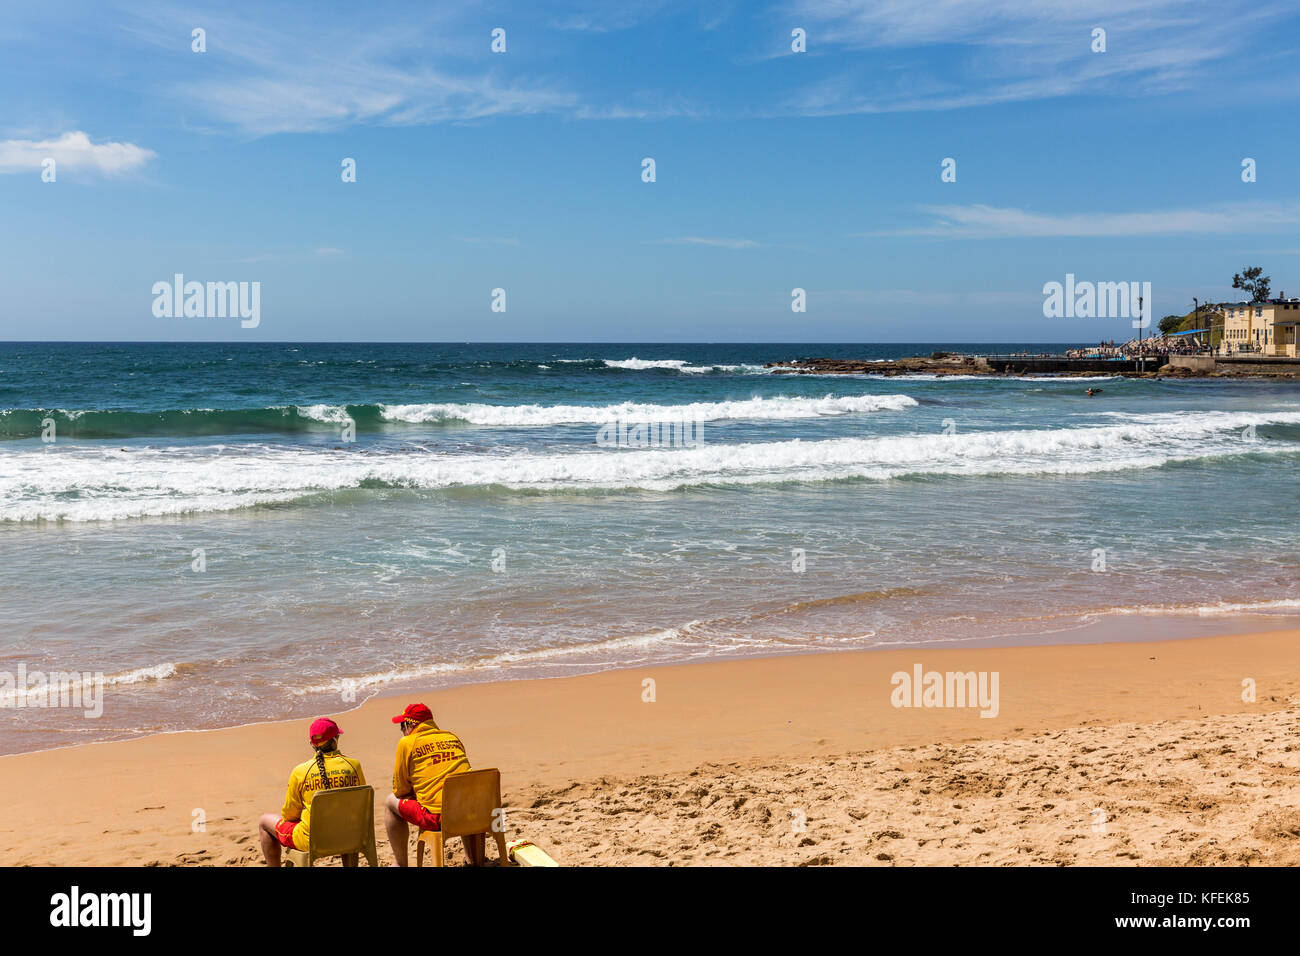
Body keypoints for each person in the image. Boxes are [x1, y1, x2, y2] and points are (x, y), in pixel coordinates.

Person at [257, 717, 365, 866]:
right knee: (344, 821)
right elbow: (360, 806)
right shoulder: (354, 766)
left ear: (311, 744)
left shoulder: (301, 771)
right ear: (335, 739)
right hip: (348, 836)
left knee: (264, 821)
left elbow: (289, 814)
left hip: (311, 840)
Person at [385, 702, 476, 866]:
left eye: (402, 725)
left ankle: (400, 863)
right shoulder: (452, 737)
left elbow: (400, 790)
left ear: (411, 724)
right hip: (471, 812)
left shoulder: (407, 742)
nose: (402, 730)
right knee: (458, 792)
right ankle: (471, 858)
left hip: (439, 818)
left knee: (390, 801)